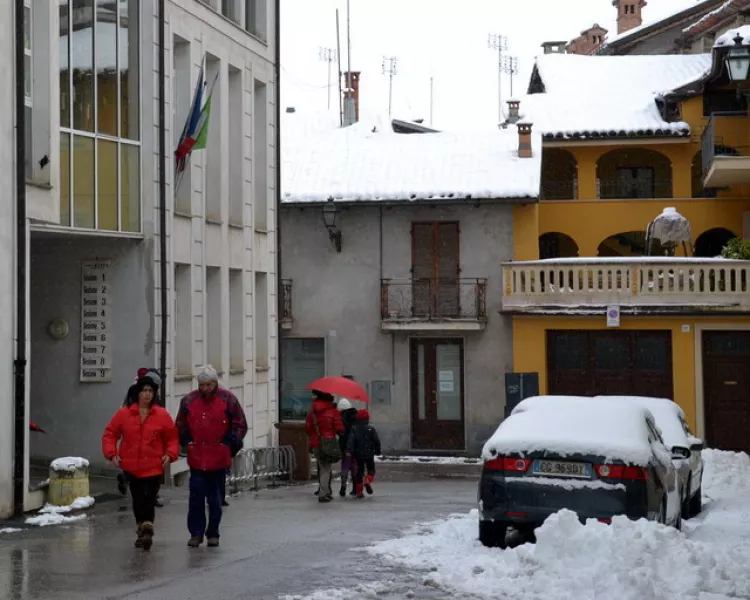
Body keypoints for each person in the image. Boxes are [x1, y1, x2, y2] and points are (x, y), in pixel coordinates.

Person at [102, 374, 179, 550]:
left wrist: (170, 454)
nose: (147, 394)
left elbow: (172, 438)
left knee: (149, 497)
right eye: (144, 390)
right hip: (131, 466)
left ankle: (148, 528)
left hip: (153, 466)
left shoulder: (161, 415)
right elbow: (110, 434)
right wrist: (112, 453)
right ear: (137, 393)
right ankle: (141, 529)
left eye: (151, 391)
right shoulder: (124, 413)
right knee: (137, 499)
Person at [176, 365, 248, 548]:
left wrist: (228, 443)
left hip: (218, 458)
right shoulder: (188, 401)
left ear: (215, 383)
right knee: (196, 497)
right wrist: (188, 442)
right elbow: (180, 425)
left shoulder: (228, 399)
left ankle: (213, 532)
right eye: (202, 384)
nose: (205, 388)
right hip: (197, 456)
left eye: (208, 384)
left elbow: (240, 424)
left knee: (215, 499)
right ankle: (196, 533)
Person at [117, 368, 165, 508]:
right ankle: (148, 495)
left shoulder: (135, 390)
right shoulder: (146, 395)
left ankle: (127, 478)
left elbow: (124, 407)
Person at [305, 390, 344, 503]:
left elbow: (308, 427)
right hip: (329, 441)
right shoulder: (333, 411)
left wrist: (314, 436)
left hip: (317, 442)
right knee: (326, 468)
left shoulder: (313, 411)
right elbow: (340, 428)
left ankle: (324, 491)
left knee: (322, 466)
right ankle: (324, 492)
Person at [348, 409, 381, 499]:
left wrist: (349, 450)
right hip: (369, 453)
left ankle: (359, 492)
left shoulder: (354, 428)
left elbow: (351, 440)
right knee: (371, 470)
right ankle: (367, 480)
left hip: (358, 454)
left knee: (359, 471)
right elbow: (376, 441)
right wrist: (377, 451)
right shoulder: (371, 428)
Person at [336, 399, 359, 498]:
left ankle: (343, 487)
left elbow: (341, 432)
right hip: (356, 446)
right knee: (354, 465)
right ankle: (355, 487)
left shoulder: (342, 417)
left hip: (345, 445)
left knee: (345, 466)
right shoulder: (356, 416)